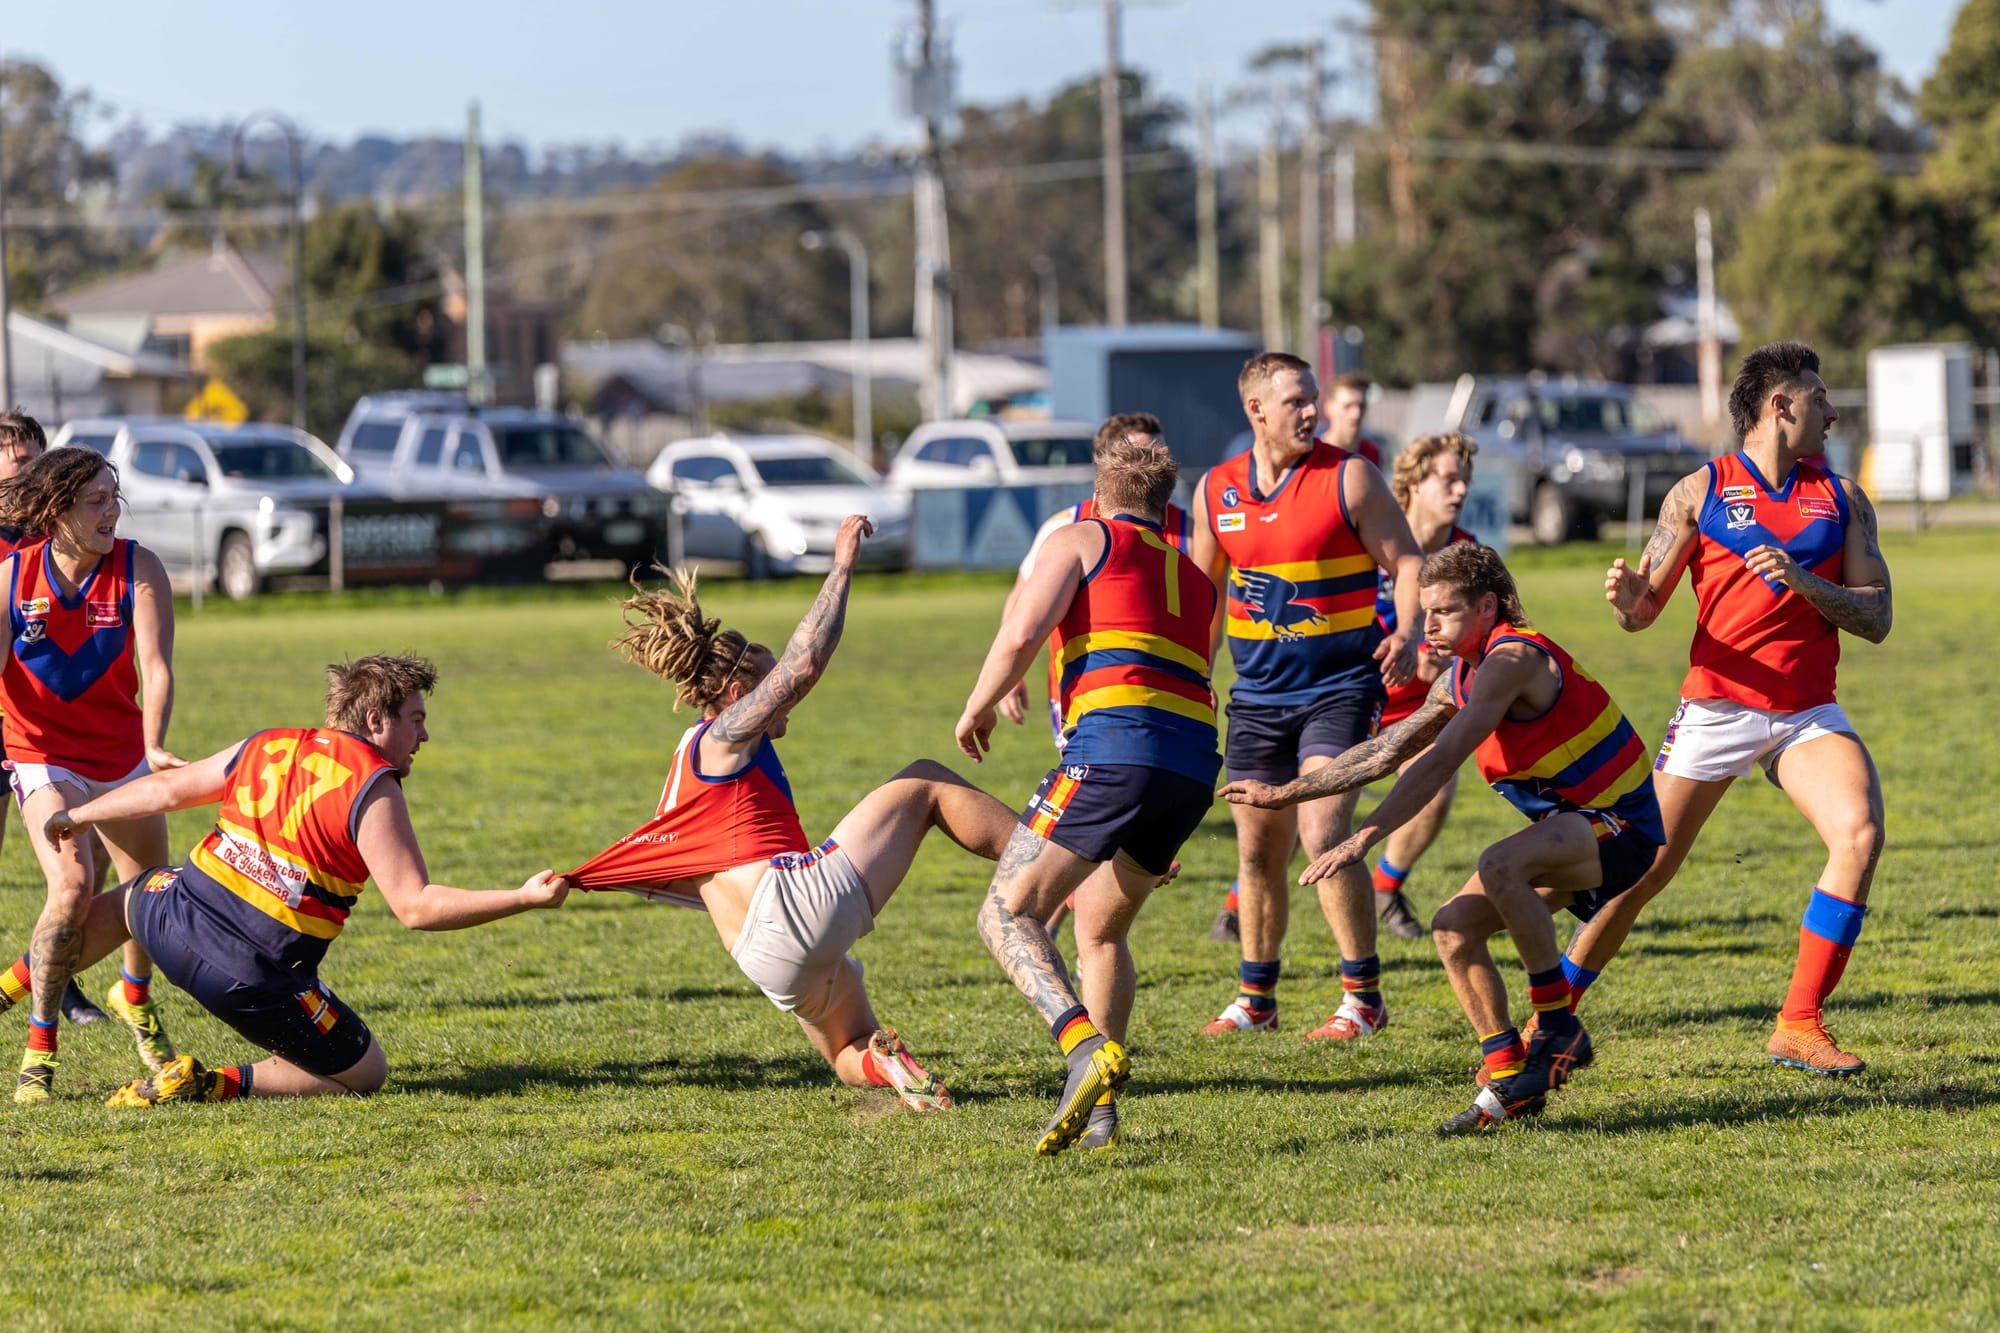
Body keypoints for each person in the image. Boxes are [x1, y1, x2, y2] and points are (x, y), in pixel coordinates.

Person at [568, 516, 1019, 1113]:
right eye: (766, 680)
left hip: (762, 958)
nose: (783, 694)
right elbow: (805, 665)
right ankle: (1058, 858)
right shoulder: (723, 737)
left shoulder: (686, 760)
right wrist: (841, 567)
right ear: (737, 695)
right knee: (926, 783)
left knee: (847, 1051)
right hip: (789, 906)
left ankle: (886, 1066)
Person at [1222, 544, 1663, 1133]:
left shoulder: (1511, 660)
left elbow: (1439, 761)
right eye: (1425, 611)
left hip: (1621, 825)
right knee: (1453, 930)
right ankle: (1509, 1073)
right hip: (1574, 826)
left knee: (1500, 864)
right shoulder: (1462, 672)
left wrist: (1364, 837)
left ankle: (1558, 1028)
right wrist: (1286, 794)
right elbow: (1387, 751)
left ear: (1487, 607)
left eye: (1444, 612)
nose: (1428, 625)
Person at [0, 655, 571, 1105]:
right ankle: (209, 1083)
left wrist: (81, 814)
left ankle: (7, 990)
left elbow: (171, 790)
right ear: (376, 720)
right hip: (250, 979)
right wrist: (522, 897)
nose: (423, 737)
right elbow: (416, 907)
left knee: (136, 892)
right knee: (367, 1072)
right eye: (416, 721)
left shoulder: (269, 742)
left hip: (169, 923)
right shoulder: (373, 785)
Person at [1571, 340, 1891, 1074]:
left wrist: (1807, 583)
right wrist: (1628, 602)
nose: (1832, 411)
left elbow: (1878, 617)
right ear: (1781, 406)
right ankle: (1550, 1014)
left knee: (1861, 832)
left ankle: (1799, 1023)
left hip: (1806, 711)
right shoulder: (1699, 491)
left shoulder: (1841, 498)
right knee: (1641, 871)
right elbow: (1643, 609)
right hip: (1717, 707)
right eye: (1819, 397)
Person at [956, 434, 1219, 1155]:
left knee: (1006, 912)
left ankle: (1081, 1048)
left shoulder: (1080, 537)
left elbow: (1019, 632)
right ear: (1166, 508)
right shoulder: (1196, 576)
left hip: (1113, 753)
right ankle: (1098, 1110)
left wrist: (977, 704)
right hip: (1193, 767)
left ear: (1100, 493)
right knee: (1099, 926)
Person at [1192, 351, 1422, 1041]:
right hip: (1257, 698)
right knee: (1259, 851)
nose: (1311, 411)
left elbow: (1407, 559)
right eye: (1294, 401)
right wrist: (1190, 679)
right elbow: (1203, 601)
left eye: (1313, 398)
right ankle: (1256, 999)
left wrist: (1407, 630)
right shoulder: (1216, 490)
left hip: (1341, 688)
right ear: (1255, 410)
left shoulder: (1349, 477)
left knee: (1324, 831)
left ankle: (1363, 998)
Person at [0, 447, 184, 1103]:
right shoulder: (13, 578)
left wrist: (155, 744)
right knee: (74, 888)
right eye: (95, 501)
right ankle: (39, 1047)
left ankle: (134, 998)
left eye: (115, 498)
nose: (111, 512)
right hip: (41, 754)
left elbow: (156, 666)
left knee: (151, 901)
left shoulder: (139, 566)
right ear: (57, 511)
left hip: (123, 758)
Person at [991, 412, 1196, 939]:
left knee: (1086, 823)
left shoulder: (1187, 526)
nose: (1149, 463)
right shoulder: (1066, 527)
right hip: (1088, 692)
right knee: (1097, 816)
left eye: (1157, 451)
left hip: (1160, 700)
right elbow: (1023, 607)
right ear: (1108, 464)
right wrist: (1012, 676)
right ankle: (1066, 914)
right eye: (1138, 453)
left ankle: (1047, 920)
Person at [0, 413, 109, 1028]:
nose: (32, 471)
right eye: (20, 461)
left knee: (75, 872)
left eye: (40, 460)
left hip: (49, 730)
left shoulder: (61, 534)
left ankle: (63, 988)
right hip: (6, 722)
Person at [1368, 432, 1481, 940]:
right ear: (1413, 482)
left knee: (1433, 793)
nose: (1459, 490)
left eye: (1465, 480)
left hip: (1421, 708)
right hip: (1355, 696)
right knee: (1304, 814)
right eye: (1448, 478)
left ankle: (1385, 888)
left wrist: (1451, 660)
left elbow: (1489, 636)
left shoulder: (1467, 552)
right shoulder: (1373, 538)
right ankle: (1238, 900)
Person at [1322, 371, 1384, 469]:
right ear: (1328, 407)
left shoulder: (1372, 453)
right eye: (1348, 406)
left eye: (1361, 406)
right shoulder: (1313, 454)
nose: (1356, 414)